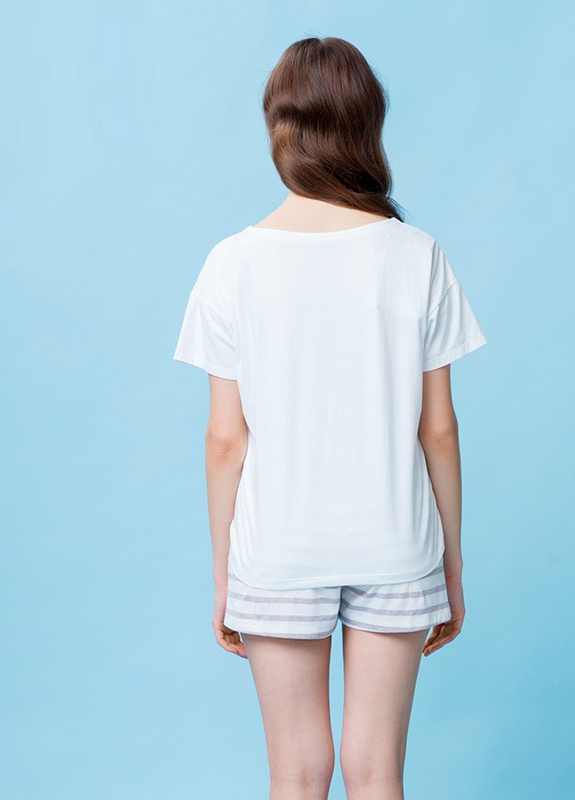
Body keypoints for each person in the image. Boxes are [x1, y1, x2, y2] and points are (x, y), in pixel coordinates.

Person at [173, 36, 487, 800]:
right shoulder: (417, 255)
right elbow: (439, 430)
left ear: (279, 128)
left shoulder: (231, 263)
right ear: (366, 127)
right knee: (377, 775)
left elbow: (225, 440)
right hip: (397, 543)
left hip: (276, 549)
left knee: (296, 775)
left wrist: (225, 574)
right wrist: (450, 563)